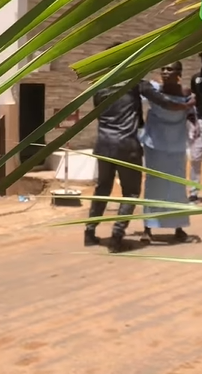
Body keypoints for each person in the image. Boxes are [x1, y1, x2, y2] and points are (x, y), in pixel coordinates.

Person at [84, 44, 195, 253]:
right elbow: (165, 103)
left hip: (103, 144)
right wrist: (188, 105)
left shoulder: (99, 85)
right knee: (131, 193)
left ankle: (89, 233)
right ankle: (117, 237)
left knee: (102, 190)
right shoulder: (137, 84)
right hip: (127, 146)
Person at [139, 61, 198, 243]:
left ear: (179, 72)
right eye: (163, 68)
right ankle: (148, 228)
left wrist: (194, 123)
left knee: (177, 187)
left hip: (176, 147)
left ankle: (179, 228)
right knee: (154, 186)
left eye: (169, 69)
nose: (165, 72)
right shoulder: (154, 89)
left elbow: (191, 114)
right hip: (155, 145)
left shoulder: (186, 93)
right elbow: (140, 86)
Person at [188, 52, 202, 203]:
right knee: (196, 158)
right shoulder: (196, 78)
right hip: (200, 121)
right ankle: (193, 191)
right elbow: (193, 99)